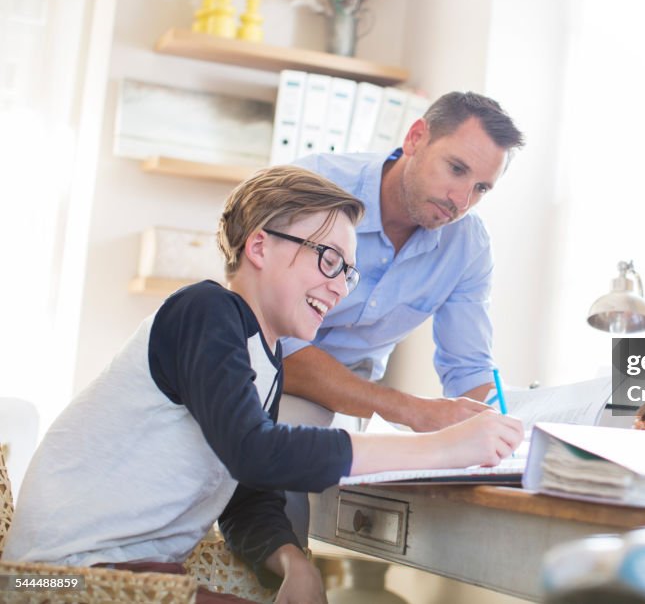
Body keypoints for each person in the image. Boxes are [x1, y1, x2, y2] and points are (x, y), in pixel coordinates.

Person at [5, 166, 523, 604]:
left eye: (349, 274)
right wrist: (438, 448)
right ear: (259, 245)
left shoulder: (266, 358)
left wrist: (291, 559)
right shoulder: (206, 311)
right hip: (54, 577)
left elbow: (245, 494)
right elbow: (256, 452)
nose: (340, 287)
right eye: (329, 260)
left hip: (132, 575)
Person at [283, 91, 525, 431]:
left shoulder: (467, 245)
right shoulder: (312, 188)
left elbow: (468, 369)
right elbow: (273, 344)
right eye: (456, 169)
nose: (462, 200)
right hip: (263, 375)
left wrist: (500, 430)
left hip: (358, 404)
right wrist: (413, 410)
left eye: (481, 188)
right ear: (415, 139)